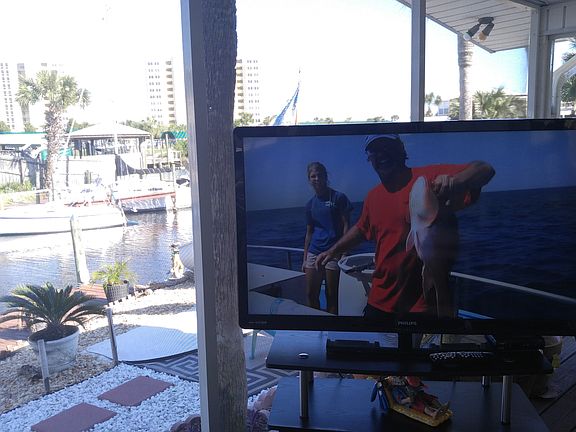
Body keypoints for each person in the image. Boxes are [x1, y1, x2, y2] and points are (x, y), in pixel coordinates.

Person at [315, 135, 495, 319]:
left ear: (401, 151)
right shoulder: (373, 196)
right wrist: (333, 250)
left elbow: (485, 169)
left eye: (387, 147)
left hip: (422, 305)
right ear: (370, 159)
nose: (381, 154)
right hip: (379, 300)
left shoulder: (427, 179)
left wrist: (457, 180)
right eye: (375, 151)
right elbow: (362, 228)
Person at [302, 162, 353, 315]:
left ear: (325, 176)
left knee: (332, 296)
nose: (317, 179)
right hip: (314, 251)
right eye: (313, 176)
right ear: (309, 179)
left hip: (334, 252)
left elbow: (347, 225)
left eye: (320, 175)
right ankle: (316, 324)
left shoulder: (339, 198)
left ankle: (331, 325)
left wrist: (344, 252)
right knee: (311, 294)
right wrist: (305, 258)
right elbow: (309, 232)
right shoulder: (309, 205)